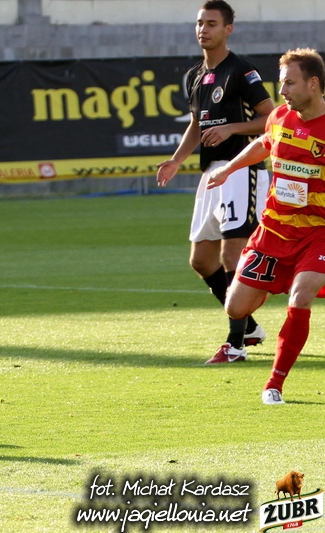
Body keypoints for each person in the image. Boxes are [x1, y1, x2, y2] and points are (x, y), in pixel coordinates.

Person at [156, 0, 276, 364]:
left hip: (242, 168)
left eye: (211, 23)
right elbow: (197, 124)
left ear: (228, 29)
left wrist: (231, 128)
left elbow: (271, 119)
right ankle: (248, 325)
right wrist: (176, 160)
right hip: (211, 172)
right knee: (201, 259)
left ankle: (235, 344)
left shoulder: (241, 70)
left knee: (231, 253)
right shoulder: (195, 75)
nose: (203, 29)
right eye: (199, 23)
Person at [207, 48, 325, 404]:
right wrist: (229, 168)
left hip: (317, 233)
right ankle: (279, 281)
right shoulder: (279, 117)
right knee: (235, 309)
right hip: (273, 232)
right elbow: (264, 143)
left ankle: (274, 384)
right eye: (281, 82)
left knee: (301, 296)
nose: (282, 90)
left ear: (313, 84)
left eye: (290, 83)